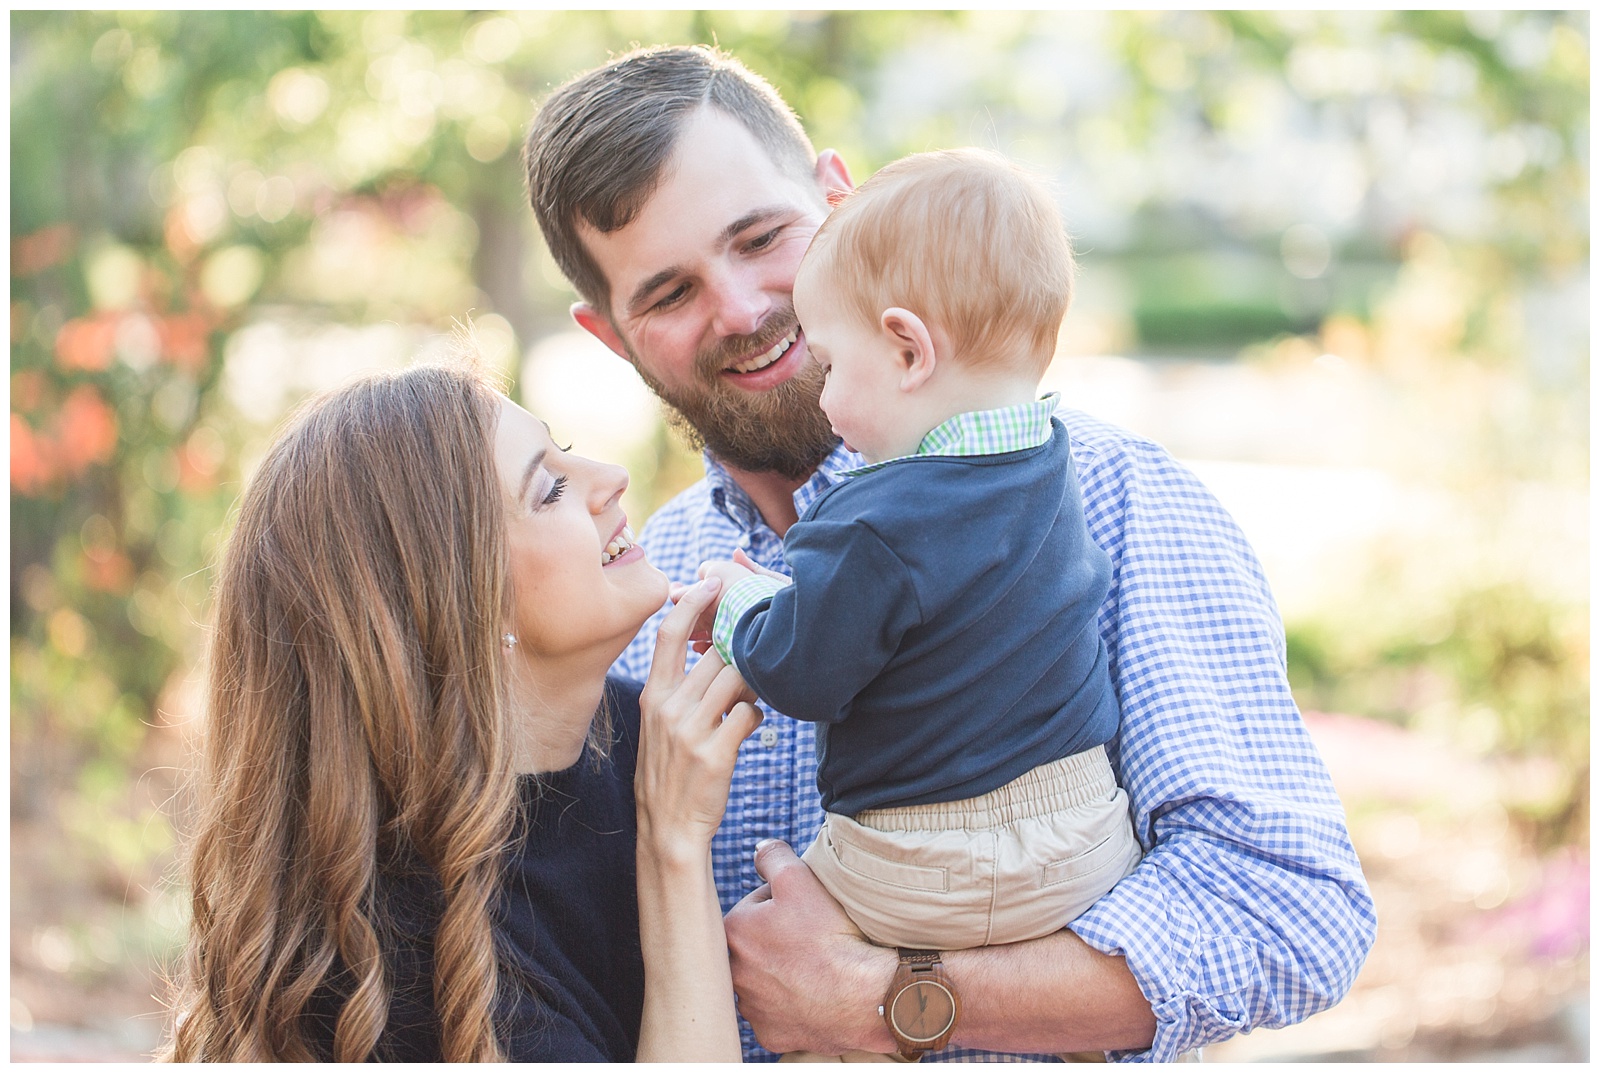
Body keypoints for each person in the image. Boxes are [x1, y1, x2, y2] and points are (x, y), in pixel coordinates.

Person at [523, 44, 1377, 1062]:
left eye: (761, 237)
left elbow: (1288, 912)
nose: (744, 310)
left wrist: (894, 998)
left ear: (839, 201)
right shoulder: (634, 597)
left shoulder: (1110, 496)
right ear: (610, 336)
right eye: (669, 294)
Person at [161, 360, 757, 1061]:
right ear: (462, 606)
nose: (610, 477)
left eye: (565, 449)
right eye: (550, 489)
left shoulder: (642, 735)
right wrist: (674, 844)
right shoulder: (392, 976)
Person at [681, 149, 1144, 1015]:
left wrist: (742, 602)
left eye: (830, 365)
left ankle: (829, 1032)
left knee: (780, 934)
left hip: (913, 867)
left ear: (906, 349)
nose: (825, 401)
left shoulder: (871, 518)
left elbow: (803, 672)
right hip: (1086, 844)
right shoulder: (1056, 466)